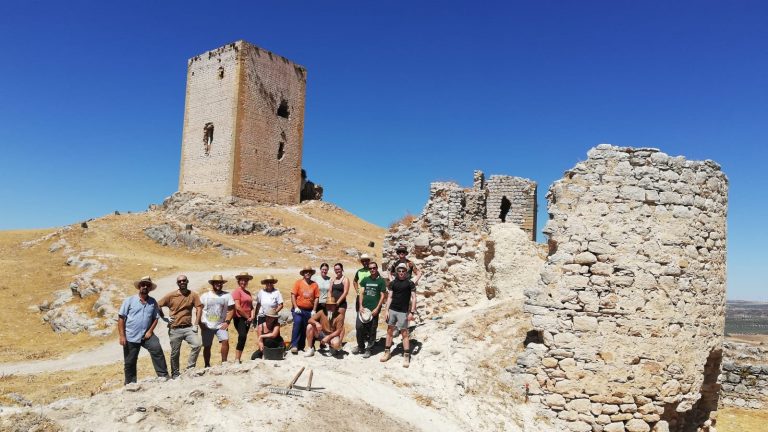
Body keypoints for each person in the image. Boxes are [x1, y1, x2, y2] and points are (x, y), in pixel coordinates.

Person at [118, 276, 169, 384]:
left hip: (147, 335)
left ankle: (163, 376)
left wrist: (150, 331)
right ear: (139, 287)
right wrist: (122, 336)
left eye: (148, 285)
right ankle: (130, 383)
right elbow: (121, 318)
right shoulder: (129, 300)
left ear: (150, 288)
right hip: (131, 335)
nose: (145, 287)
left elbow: (156, 317)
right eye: (143, 285)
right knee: (130, 361)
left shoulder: (152, 301)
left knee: (157, 349)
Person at [157, 274, 203, 378]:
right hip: (174, 329)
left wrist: (196, 324)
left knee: (197, 344)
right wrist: (164, 318)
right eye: (180, 281)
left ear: (187, 281)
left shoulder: (193, 295)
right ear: (177, 283)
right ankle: (175, 373)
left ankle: (190, 368)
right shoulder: (171, 295)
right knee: (175, 353)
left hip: (188, 327)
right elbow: (157, 304)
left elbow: (199, 308)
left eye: (184, 280)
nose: (182, 282)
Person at [380, 263, 418, 368]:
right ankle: (387, 352)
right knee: (389, 331)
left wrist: (412, 312)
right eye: (399, 271)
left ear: (406, 272)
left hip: (403, 311)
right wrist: (386, 310)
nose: (401, 273)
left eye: (403, 271)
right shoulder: (393, 283)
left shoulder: (410, 283)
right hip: (392, 310)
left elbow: (414, 298)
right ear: (397, 272)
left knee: (404, 333)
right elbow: (390, 297)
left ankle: (406, 355)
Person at [200, 275, 234, 367]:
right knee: (207, 346)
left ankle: (224, 362)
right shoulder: (205, 296)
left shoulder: (227, 295)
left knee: (225, 340)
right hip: (207, 324)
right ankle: (207, 365)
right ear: (213, 284)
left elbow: (231, 309)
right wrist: (200, 323)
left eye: (220, 282)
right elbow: (199, 310)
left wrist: (227, 321)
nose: (219, 284)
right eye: (216, 282)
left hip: (220, 325)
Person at [355, 262, 387, 358]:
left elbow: (382, 296)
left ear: (377, 268)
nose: (372, 270)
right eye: (370, 268)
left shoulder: (381, 281)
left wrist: (377, 308)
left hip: (374, 309)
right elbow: (361, 293)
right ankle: (361, 346)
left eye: (374, 268)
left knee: (372, 329)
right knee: (359, 327)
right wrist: (360, 306)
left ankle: (369, 349)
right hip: (363, 308)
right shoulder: (365, 279)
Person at [290, 266, 320, 354]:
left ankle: (303, 346)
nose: (307, 273)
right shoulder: (298, 283)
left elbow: (316, 298)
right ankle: (294, 345)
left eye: (309, 272)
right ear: (303, 273)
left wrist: (314, 310)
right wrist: (295, 307)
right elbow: (293, 295)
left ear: (311, 274)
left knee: (306, 327)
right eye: (306, 272)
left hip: (309, 310)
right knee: (298, 322)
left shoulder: (314, 284)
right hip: (298, 309)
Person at [231, 272, 254, 364]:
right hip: (239, 317)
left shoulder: (248, 292)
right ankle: (236, 359)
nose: (243, 282)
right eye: (242, 280)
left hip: (248, 318)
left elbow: (251, 306)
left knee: (243, 338)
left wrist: (252, 316)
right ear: (239, 281)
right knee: (242, 336)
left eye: (245, 280)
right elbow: (238, 307)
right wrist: (247, 316)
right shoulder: (237, 291)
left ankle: (239, 358)